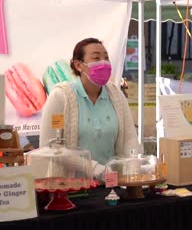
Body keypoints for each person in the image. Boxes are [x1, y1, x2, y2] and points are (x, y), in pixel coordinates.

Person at [40, 38, 140, 179]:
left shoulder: (116, 95)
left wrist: (133, 169)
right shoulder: (61, 97)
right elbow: (51, 148)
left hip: (111, 184)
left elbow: (130, 138)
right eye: (96, 58)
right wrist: (95, 169)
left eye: (106, 58)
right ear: (79, 65)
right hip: (72, 187)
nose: (104, 63)